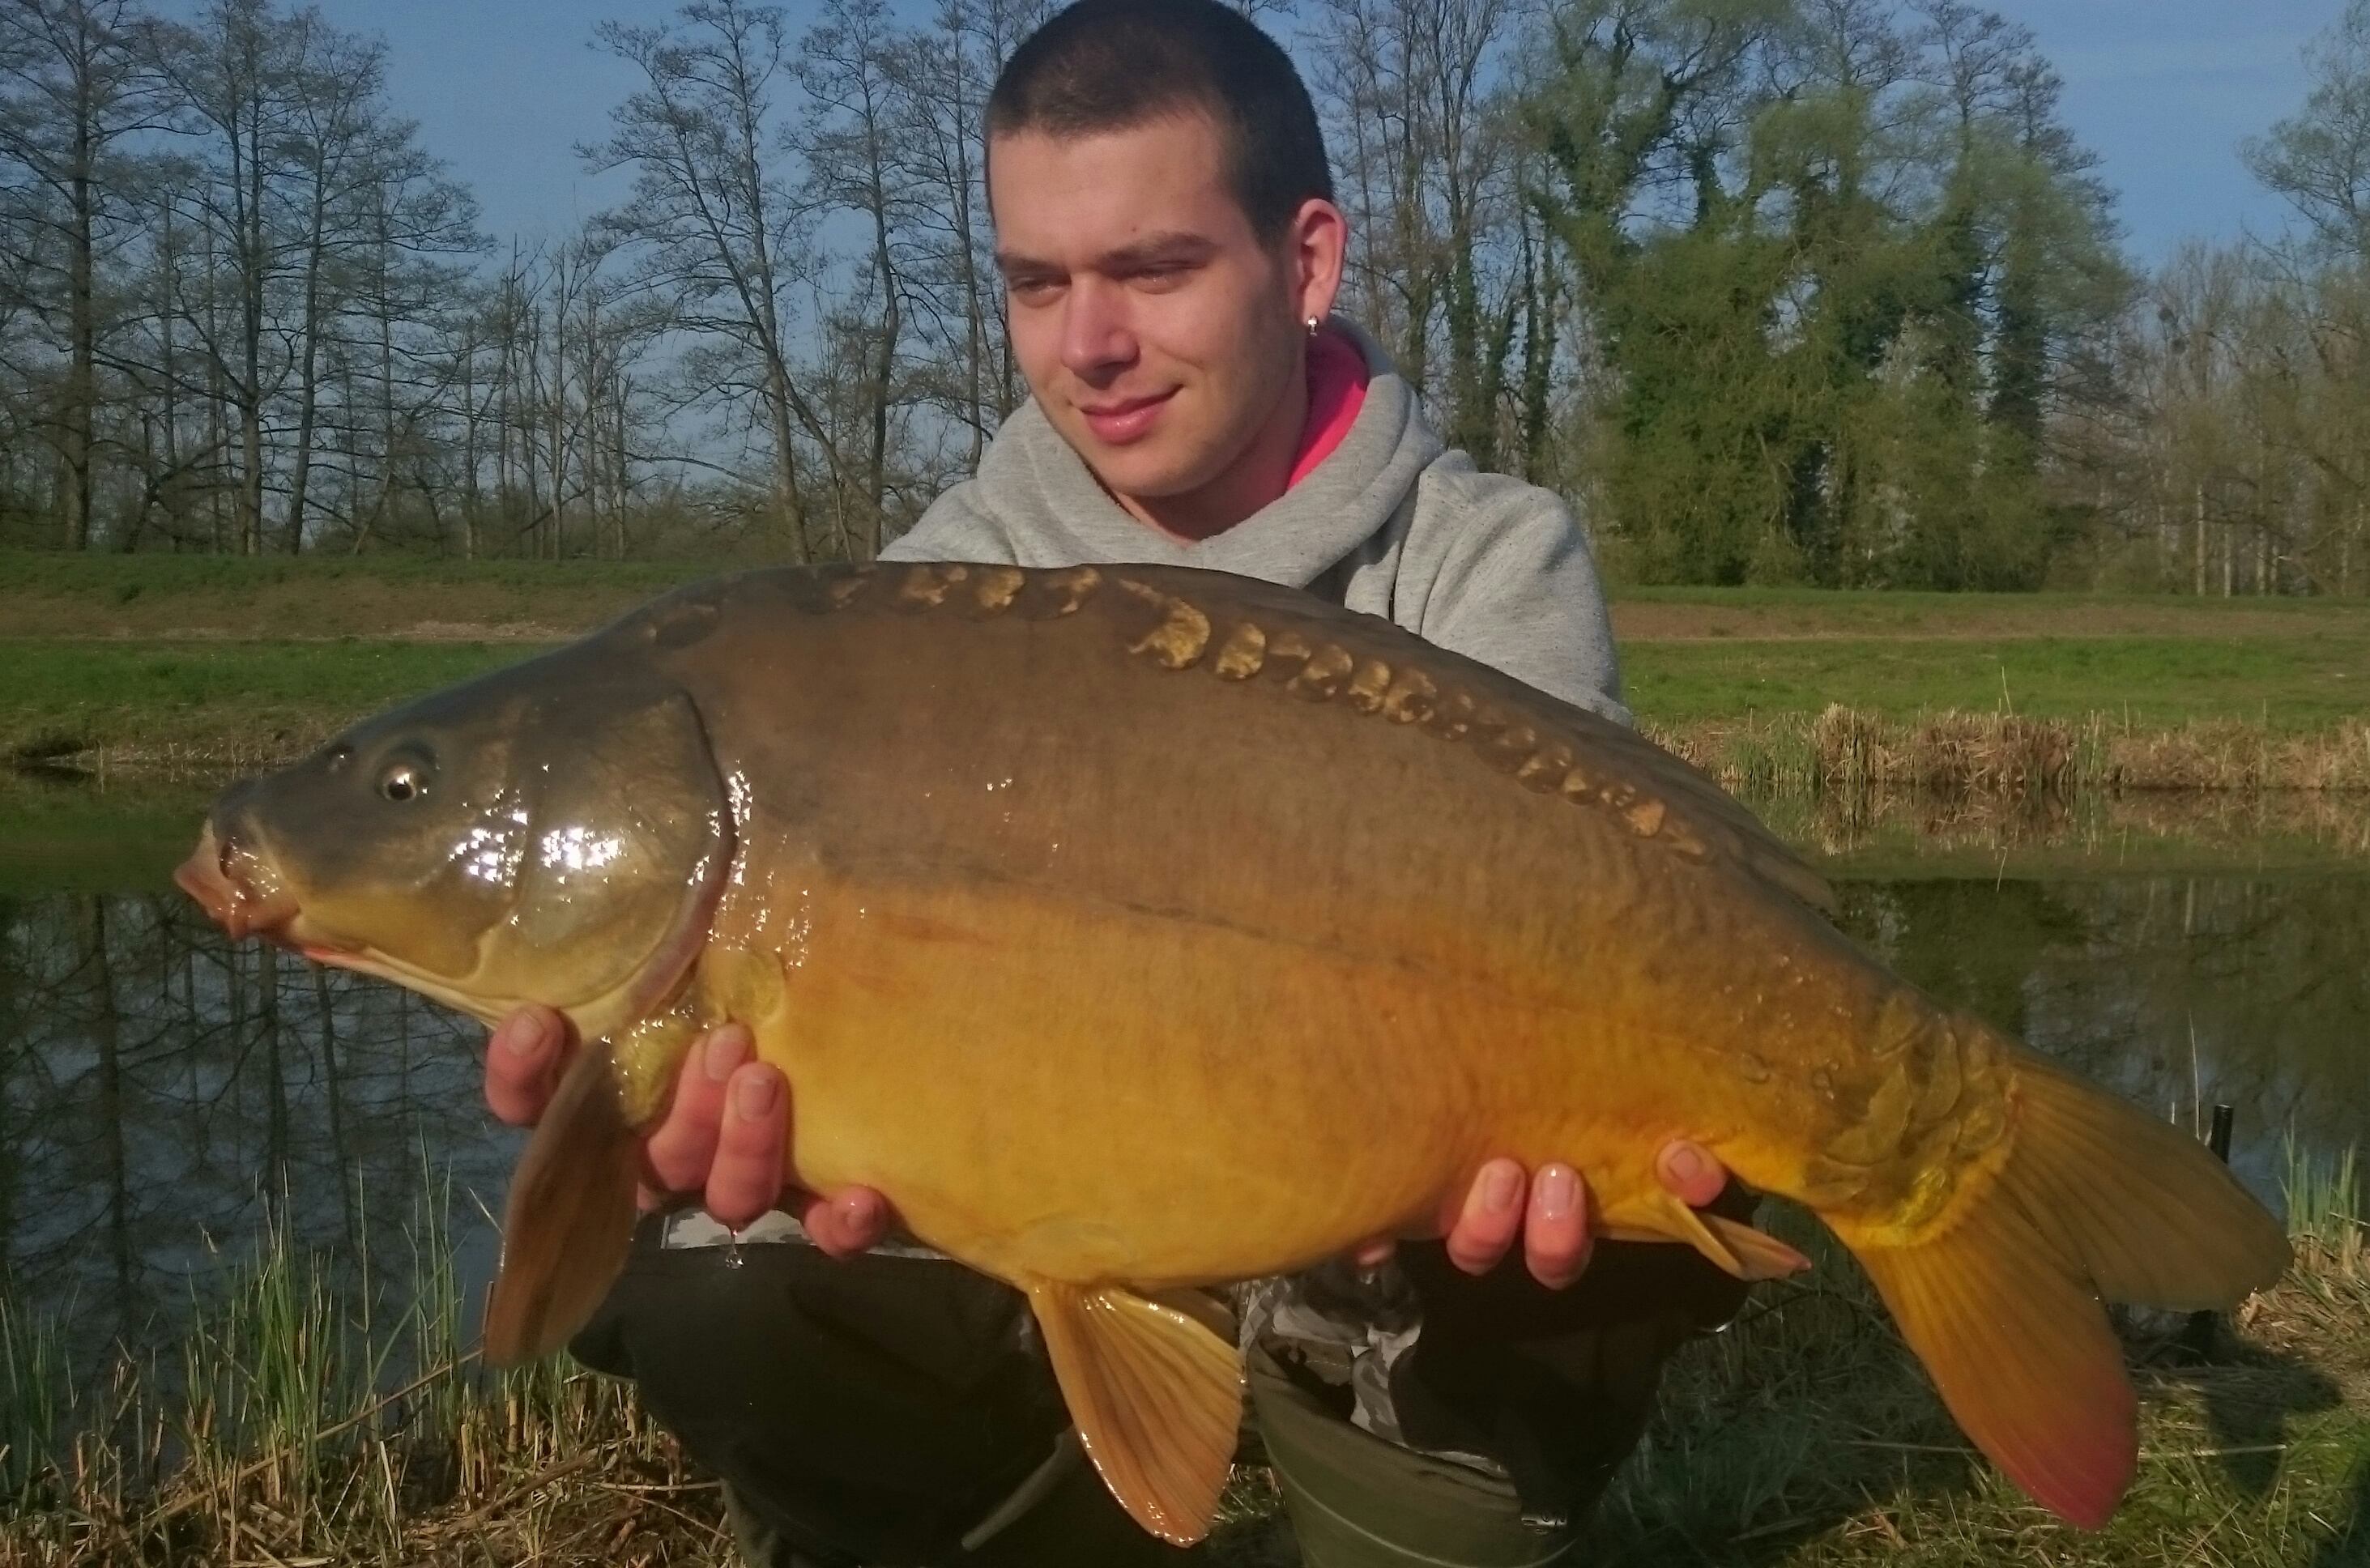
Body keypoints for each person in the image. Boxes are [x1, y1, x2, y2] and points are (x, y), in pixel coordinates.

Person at [482, 2, 1750, 1562]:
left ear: (1305, 262)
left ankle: (1408, 1525)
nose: (1087, 344)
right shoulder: (927, 611)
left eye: (1153, 271)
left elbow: (1597, 945)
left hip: (1387, 1248)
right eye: (1037, 282)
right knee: (716, 1264)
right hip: (1047, 1239)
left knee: (1634, 1203)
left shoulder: (1483, 561)